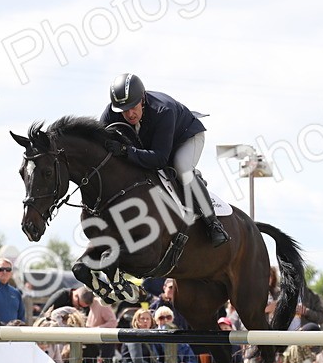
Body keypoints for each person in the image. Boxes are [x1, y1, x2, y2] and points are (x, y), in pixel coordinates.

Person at [98, 72, 228, 247]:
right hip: (156, 144)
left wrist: (125, 151)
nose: (129, 114)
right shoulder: (111, 113)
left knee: (181, 167)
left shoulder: (162, 110)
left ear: (142, 98)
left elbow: (159, 159)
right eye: (124, 110)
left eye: (133, 107)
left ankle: (213, 224)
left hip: (185, 137)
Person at [0, 257, 26, 325]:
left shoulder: (16, 293)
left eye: (8, 269)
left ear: (11, 273)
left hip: (13, 333)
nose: (4, 272)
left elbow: (21, 317)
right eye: (0, 269)